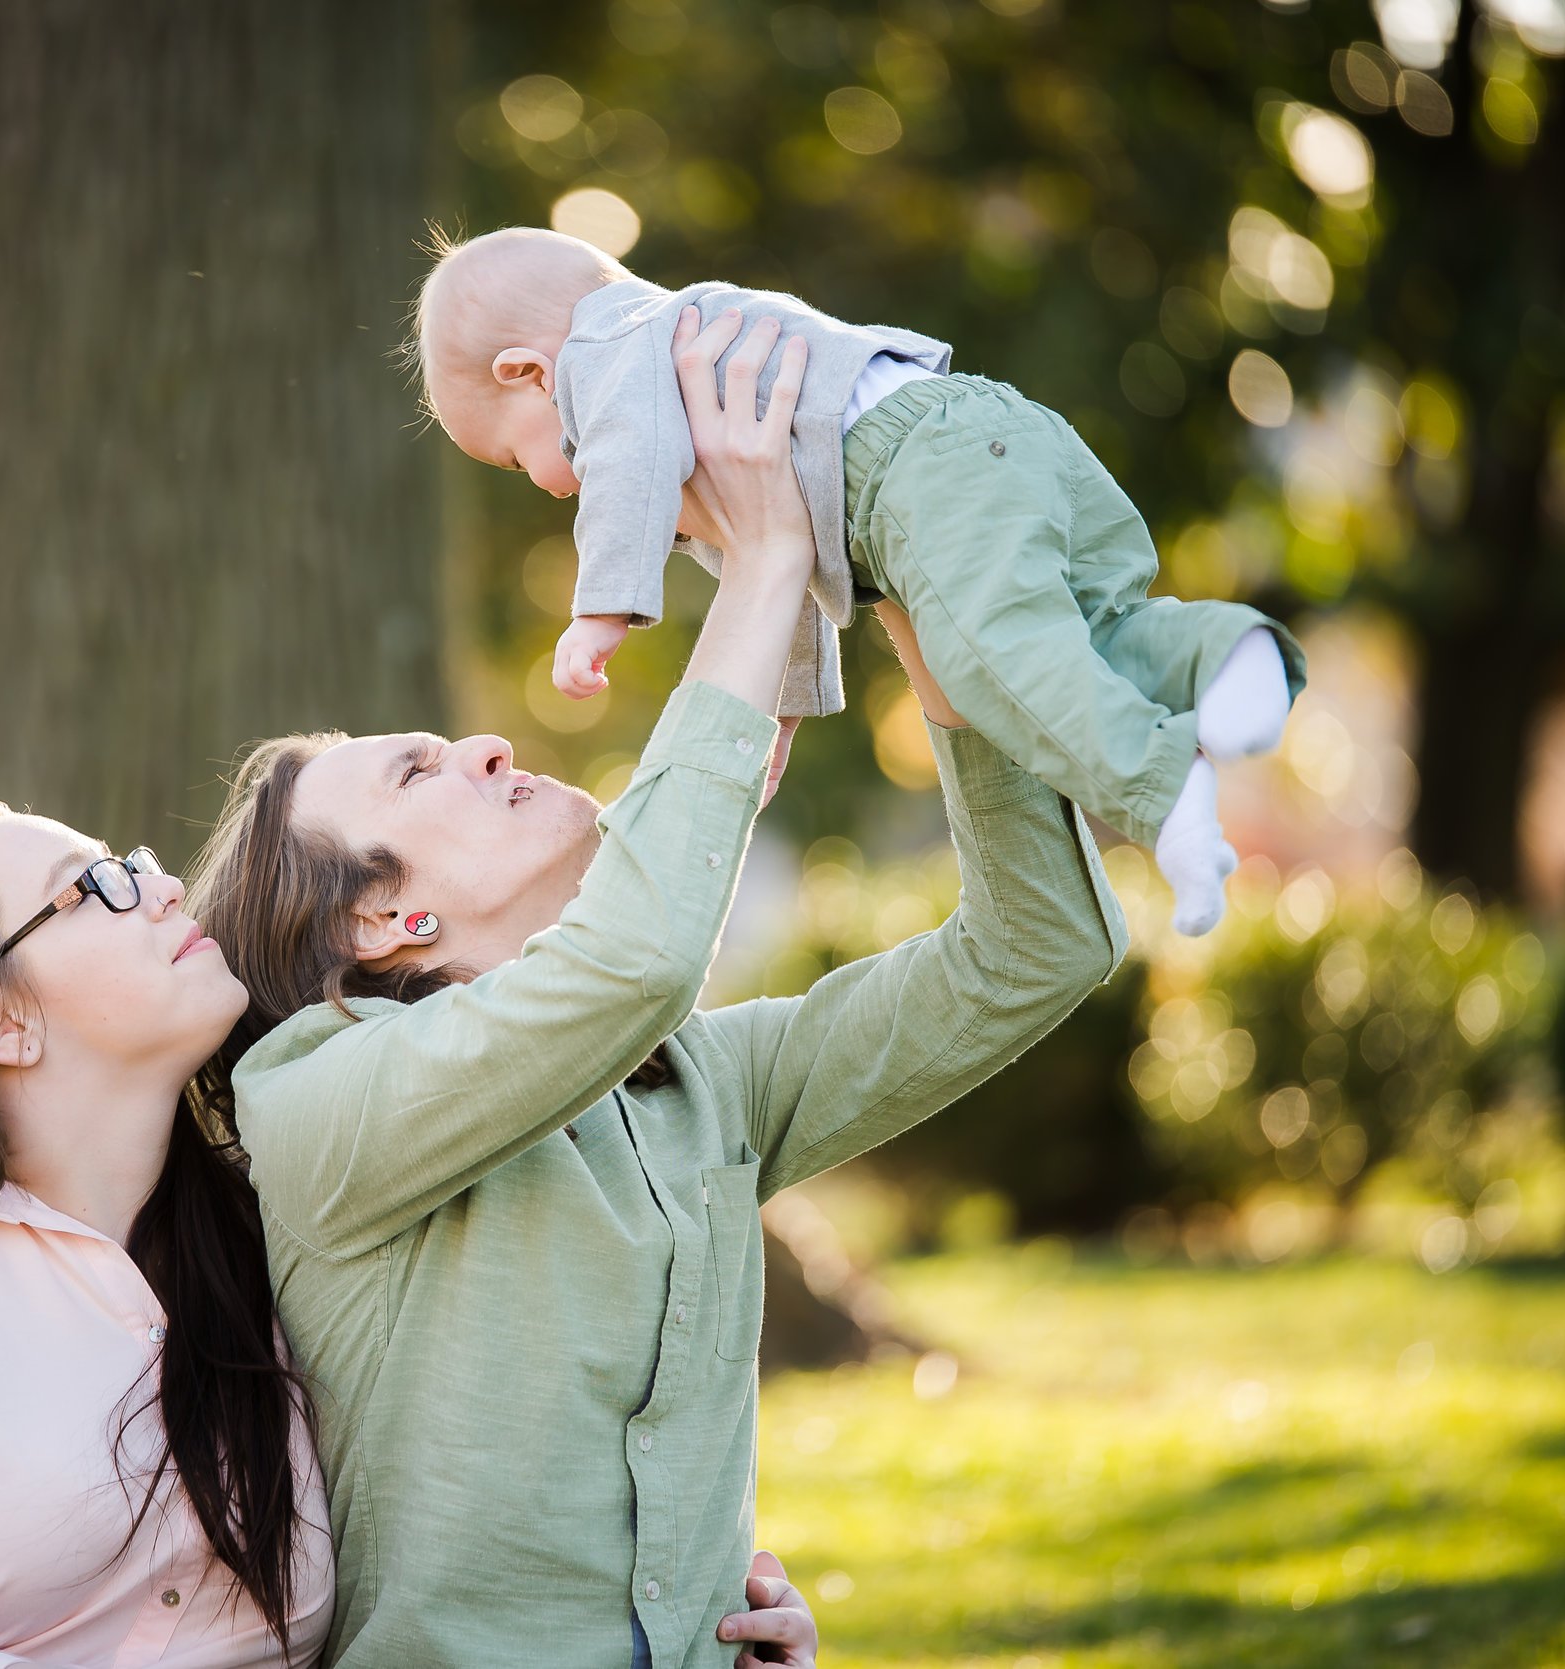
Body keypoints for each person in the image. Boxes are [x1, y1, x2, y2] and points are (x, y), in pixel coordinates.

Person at [187, 305, 1127, 1667]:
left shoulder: (701, 1089)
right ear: (390, 918)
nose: (488, 743)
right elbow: (635, 958)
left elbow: (1036, 951)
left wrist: (936, 611)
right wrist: (762, 565)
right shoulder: (317, 1102)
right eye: (418, 771)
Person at [0, 797, 819, 1667]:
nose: (158, 885)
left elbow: (458, 1534)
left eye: (137, 864)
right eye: (92, 887)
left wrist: (702, 1623)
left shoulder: (273, 1247)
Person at [413, 225, 1305, 935]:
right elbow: (785, 558)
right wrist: (777, 712)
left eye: (512, 457)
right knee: (1081, 633)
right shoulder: (691, 367)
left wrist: (599, 613)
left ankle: (1166, 795)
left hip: (917, 473)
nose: (543, 478)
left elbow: (624, 469)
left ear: (528, 371)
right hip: (986, 433)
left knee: (993, 659)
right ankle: (1226, 657)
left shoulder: (612, 354)